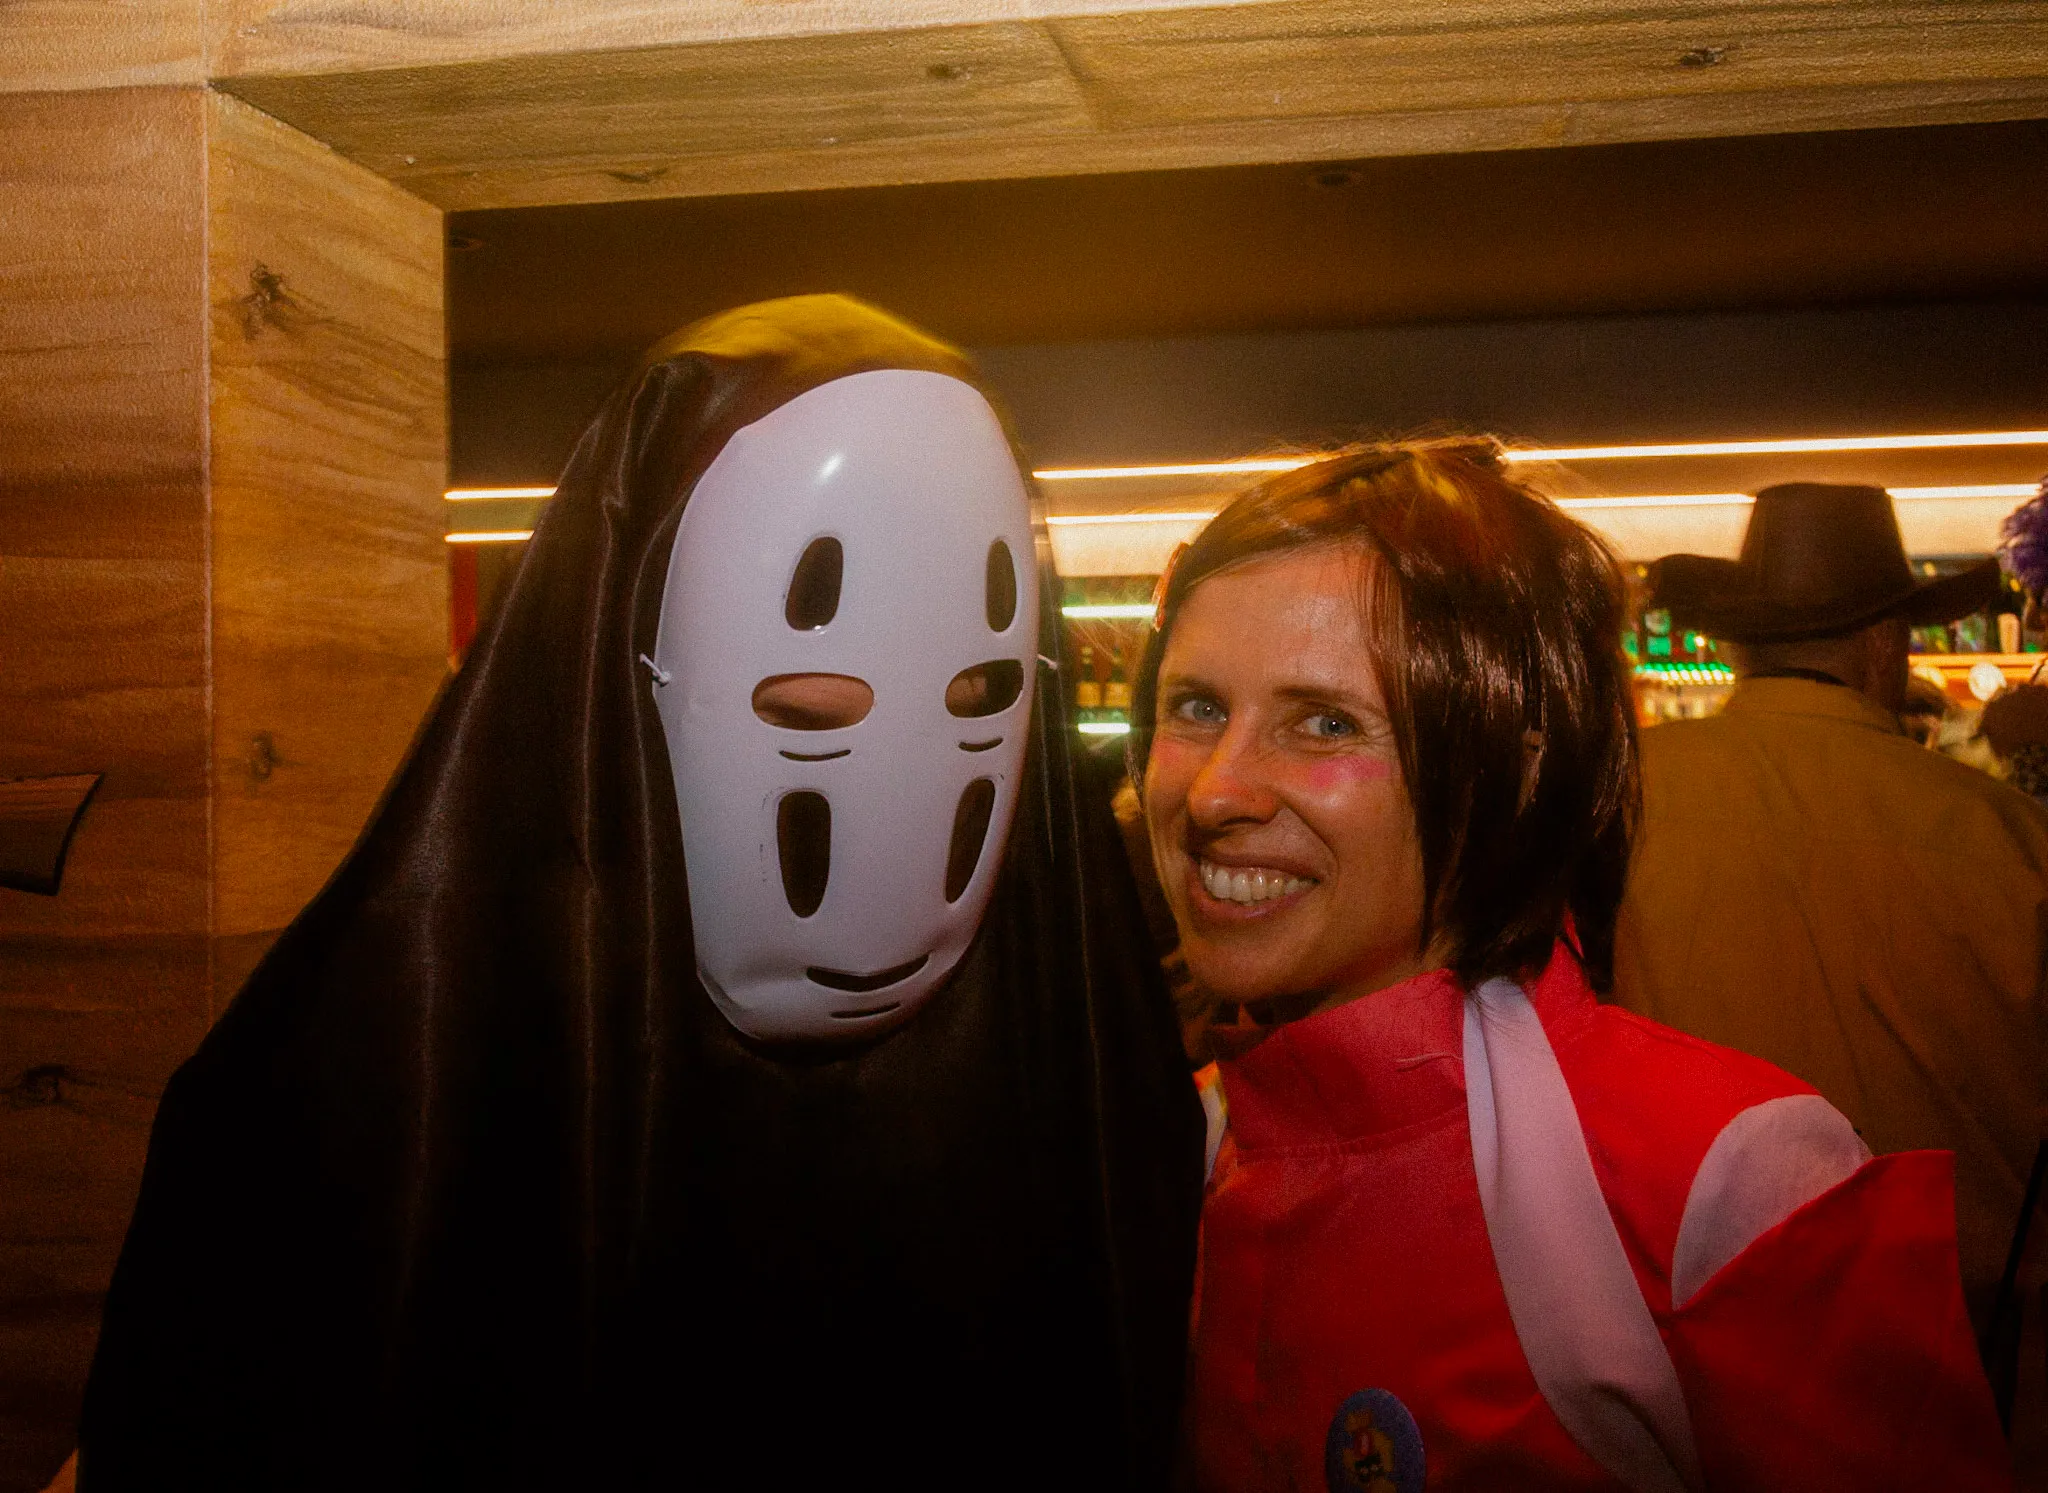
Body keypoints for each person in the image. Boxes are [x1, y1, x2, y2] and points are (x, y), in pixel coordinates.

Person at [78, 296, 1203, 1490]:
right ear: (618, 669)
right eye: (801, 709)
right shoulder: (352, 1104)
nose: (898, 783)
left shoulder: (1092, 1069)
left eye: (976, 696)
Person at [1134, 443, 2008, 1489]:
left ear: (1510, 768)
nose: (1214, 791)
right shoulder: (1172, 1147)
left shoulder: (1731, 1184)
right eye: (1195, 706)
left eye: (1324, 721)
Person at [1615, 482, 2048, 1352]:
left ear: (1735, 645)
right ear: (1885, 645)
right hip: (1957, 1350)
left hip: (1687, 1332)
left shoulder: (1621, 799)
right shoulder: (2006, 834)